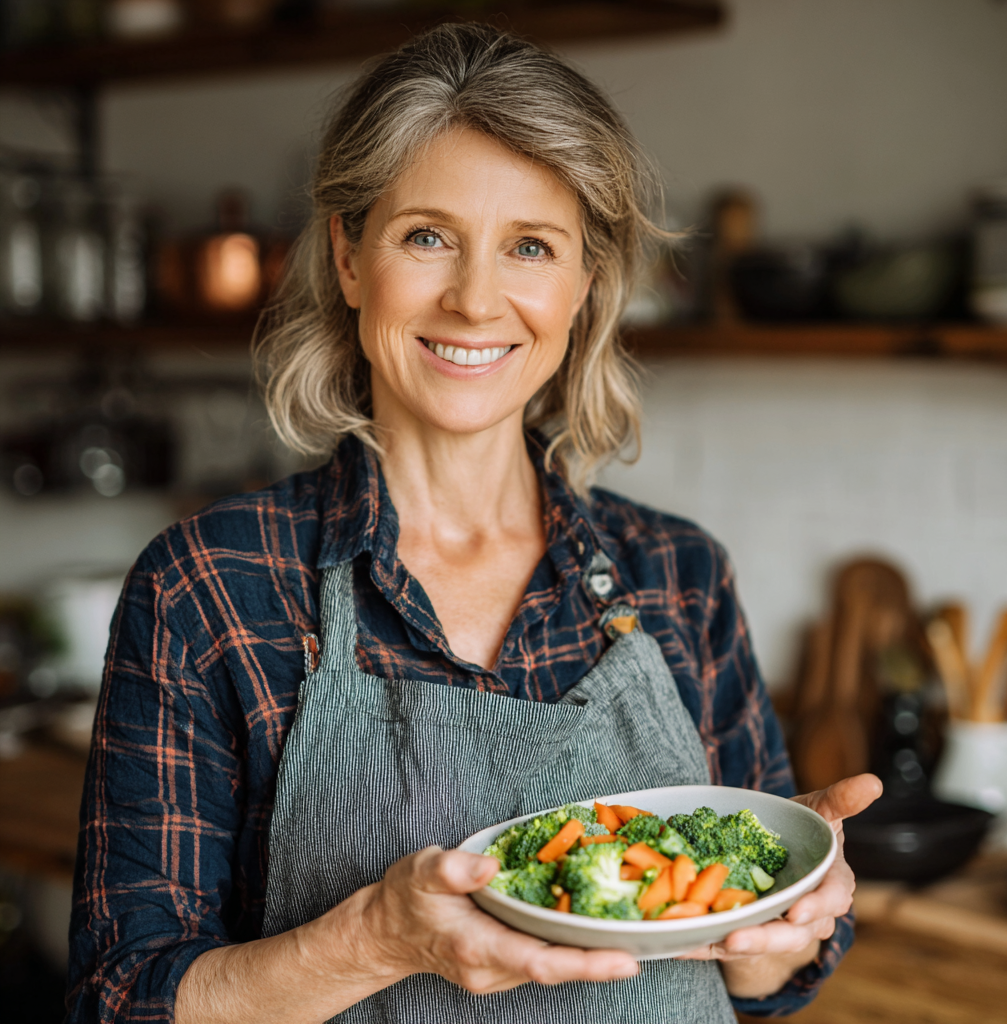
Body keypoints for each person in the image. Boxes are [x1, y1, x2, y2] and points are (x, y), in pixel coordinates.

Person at [67, 22, 880, 1024]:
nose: (474, 299)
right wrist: (375, 940)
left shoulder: (677, 574)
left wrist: (780, 927)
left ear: (583, 289)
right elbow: (119, 1000)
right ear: (350, 256)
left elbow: (759, 980)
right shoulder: (213, 584)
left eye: (530, 247)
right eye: (426, 237)